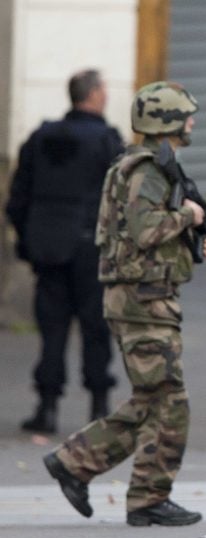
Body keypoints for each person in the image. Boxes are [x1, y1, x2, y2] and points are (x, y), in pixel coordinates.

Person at [42, 81, 206, 527]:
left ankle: (88, 469)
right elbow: (143, 230)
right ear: (168, 122)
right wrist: (188, 216)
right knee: (168, 401)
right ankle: (135, 491)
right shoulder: (146, 171)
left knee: (155, 400)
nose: (193, 122)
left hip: (149, 299)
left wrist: (193, 238)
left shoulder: (150, 166)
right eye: (186, 115)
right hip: (142, 302)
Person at [6, 69, 123, 433]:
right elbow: (122, 200)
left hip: (49, 247)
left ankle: (47, 408)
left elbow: (17, 199)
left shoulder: (40, 138)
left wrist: (29, 241)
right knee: (95, 328)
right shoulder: (106, 141)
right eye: (104, 88)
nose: (107, 94)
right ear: (93, 96)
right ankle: (99, 408)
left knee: (52, 329)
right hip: (91, 247)